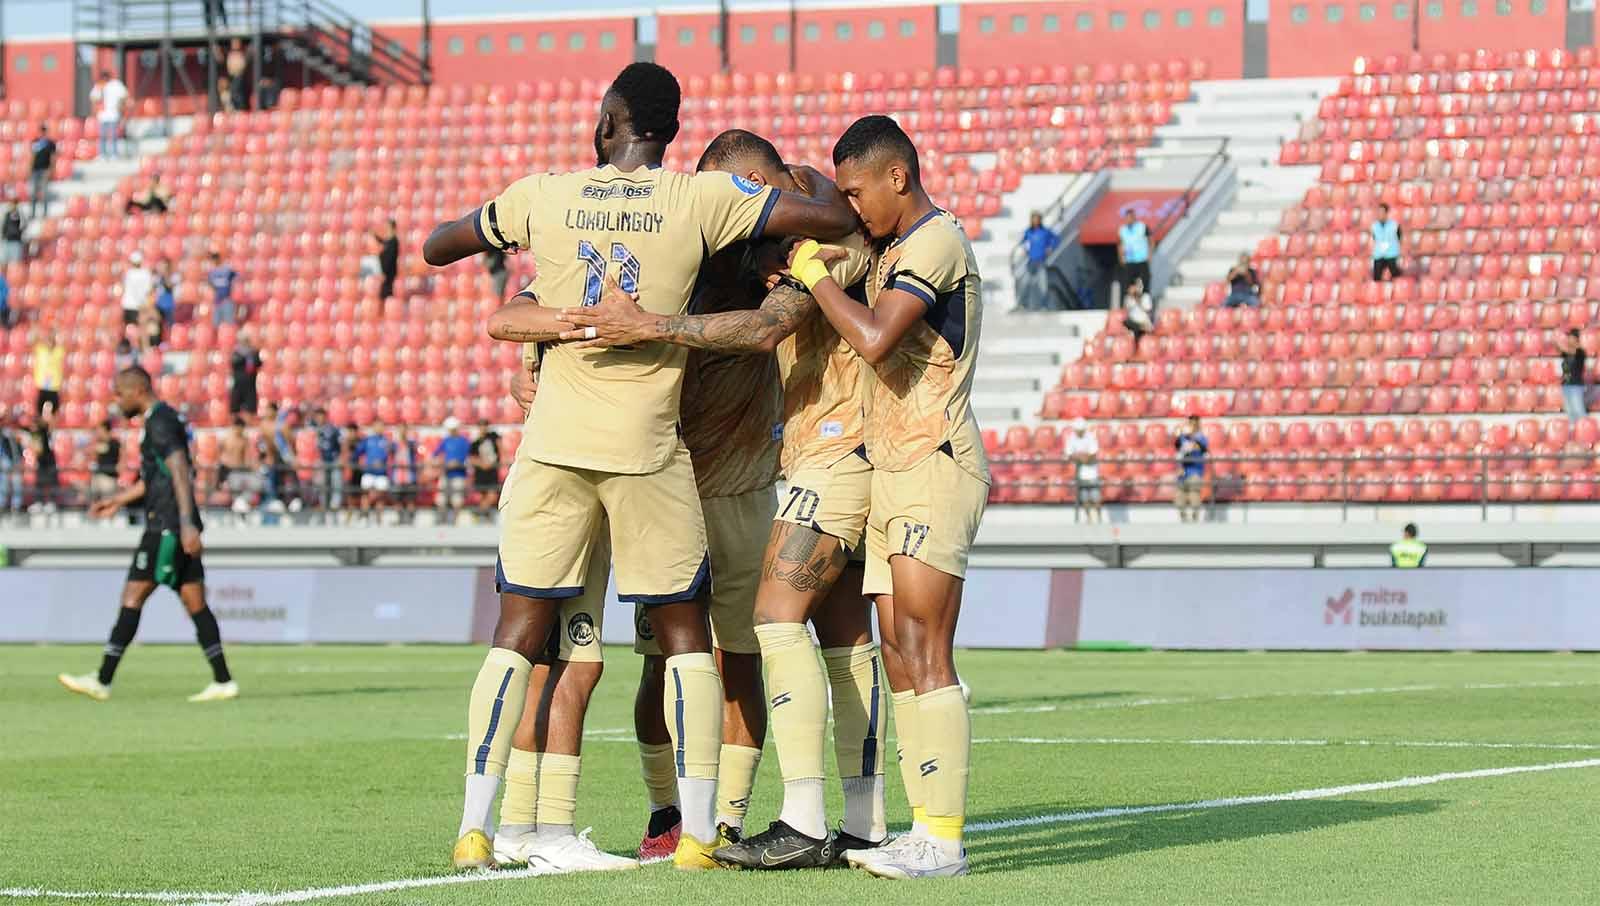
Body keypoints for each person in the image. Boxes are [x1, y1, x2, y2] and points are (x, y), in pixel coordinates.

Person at [425, 60, 858, 872]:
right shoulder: (698, 199)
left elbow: (437, 246)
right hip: (647, 455)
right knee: (689, 639)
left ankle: (477, 826)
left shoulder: (542, 194)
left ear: (601, 126)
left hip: (551, 446)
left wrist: (538, 313)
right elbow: (834, 213)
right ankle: (697, 833)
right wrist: (769, 205)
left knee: (519, 634)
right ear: (673, 135)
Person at [558, 128, 888, 871]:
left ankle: (739, 818)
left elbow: (768, 328)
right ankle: (672, 813)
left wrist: (657, 325)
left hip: (764, 480)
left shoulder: (819, 228)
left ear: (765, 188)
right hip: (668, 481)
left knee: (752, 650)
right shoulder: (693, 238)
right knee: (667, 664)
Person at [770, 115, 990, 879]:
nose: (854, 206)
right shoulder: (893, 248)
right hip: (893, 471)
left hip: (935, 461)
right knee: (897, 650)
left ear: (898, 176)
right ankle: (922, 827)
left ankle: (945, 838)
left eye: (859, 190)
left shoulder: (935, 242)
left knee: (927, 649)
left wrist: (816, 274)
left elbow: (871, 338)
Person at [58, 366, 237, 703]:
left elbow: (180, 468)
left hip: (166, 524)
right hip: (171, 520)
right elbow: (154, 479)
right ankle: (223, 680)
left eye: (120, 394)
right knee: (194, 600)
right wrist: (116, 500)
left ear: (138, 390)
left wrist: (185, 522)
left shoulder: (159, 422)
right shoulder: (158, 421)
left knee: (134, 593)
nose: (116, 401)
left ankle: (103, 678)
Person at [1017, 212, 1059, 311]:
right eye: (1033, 219)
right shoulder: (1029, 232)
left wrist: (1051, 248)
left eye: (1037, 219)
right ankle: (1022, 305)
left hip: (1041, 262)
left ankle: (1044, 306)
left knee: (1043, 285)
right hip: (1031, 262)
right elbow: (1023, 242)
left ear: (1040, 220)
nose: (1035, 221)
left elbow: (1056, 239)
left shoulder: (1045, 231)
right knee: (1024, 284)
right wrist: (1025, 248)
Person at [1064, 418, 1103, 523]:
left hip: (1092, 473)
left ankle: (1099, 518)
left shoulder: (1091, 437)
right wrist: (1081, 457)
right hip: (1080, 473)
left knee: (1096, 498)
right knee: (1084, 498)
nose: (1078, 432)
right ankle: (1089, 518)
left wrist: (1080, 457)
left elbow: (1092, 455)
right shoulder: (1071, 438)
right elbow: (1069, 454)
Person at [433, 417, 471, 522]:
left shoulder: (464, 442)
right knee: (441, 498)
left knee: (457, 499)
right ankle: (442, 520)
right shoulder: (445, 441)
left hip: (459, 474)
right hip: (446, 474)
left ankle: (455, 520)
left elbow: (468, 458)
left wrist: (457, 463)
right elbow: (435, 455)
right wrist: (441, 463)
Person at [1174, 415, 1208, 523]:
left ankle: (1195, 519)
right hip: (1182, 472)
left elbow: (1203, 448)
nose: (1192, 425)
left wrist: (1192, 438)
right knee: (1179, 496)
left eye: (1195, 423)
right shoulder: (1183, 437)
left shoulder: (1201, 437)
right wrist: (1181, 435)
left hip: (1195, 471)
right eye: (1191, 423)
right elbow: (1177, 447)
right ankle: (1184, 519)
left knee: (1194, 494)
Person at [357, 421, 395, 518]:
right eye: (377, 426)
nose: (379, 428)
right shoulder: (368, 440)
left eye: (381, 426)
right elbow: (357, 452)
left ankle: (379, 519)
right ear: (373, 427)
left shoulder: (387, 441)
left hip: (381, 473)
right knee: (365, 495)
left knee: (380, 496)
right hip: (369, 472)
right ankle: (364, 516)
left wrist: (383, 461)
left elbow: (392, 454)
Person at [310, 407, 345, 512]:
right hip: (321, 460)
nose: (319, 418)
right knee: (322, 484)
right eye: (317, 416)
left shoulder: (332, 429)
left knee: (336, 482)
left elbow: (342, 443)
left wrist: (341, 457)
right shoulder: (312, 429)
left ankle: (335, 504)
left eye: (321, 416)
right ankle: (323, 504)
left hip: (333, 459)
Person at [90, 71, 129, 160]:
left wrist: (120, 106)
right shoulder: (99, 85)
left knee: (114, 135)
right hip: (102, 115)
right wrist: (100, 93)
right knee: (102, 135)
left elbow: (124, 95)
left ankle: (114, 154)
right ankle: (102, 154)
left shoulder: (116, 85)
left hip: (114, 113)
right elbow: (93, 98)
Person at [470, 419, 502, 513]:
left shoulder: (493, 436)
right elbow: (472, 458)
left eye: (484, 426)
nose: (483, 428)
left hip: (492, 472)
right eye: (481, 426)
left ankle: (479, 512)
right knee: (482, 496)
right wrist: (482, 464)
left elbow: (500, 447)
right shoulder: (475, 443)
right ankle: (482, 514)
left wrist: (497, 460)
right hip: (481, 473)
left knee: (492, 495)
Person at [1117, 208, 1152, 294]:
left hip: (1142, 259)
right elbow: (1120, 244)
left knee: (1144, 282)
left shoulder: (1142, 227)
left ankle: (1145, 299)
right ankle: (1131, 300)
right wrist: (1121, 257)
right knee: (1128, 283)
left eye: (1129, 218)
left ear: (1133, 218)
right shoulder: (1122, 230)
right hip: (1129, 260)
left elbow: (1151, 241)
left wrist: (1150, 254)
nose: (1127, 220)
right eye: (1126, 218)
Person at [90, 419, 123, 507]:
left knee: (108, 503)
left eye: (99, 429)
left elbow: (122, 454)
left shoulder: (114, 443)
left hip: (109, 477)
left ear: (105, 429)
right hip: (98, 476)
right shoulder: (100, 443)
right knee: (95, 502)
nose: (97, 432)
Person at [32, 330, 64, 417]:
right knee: (39, 406)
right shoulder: (41, 350)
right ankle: (40, 422)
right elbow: (34, 340)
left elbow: (63, 343)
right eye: (48, 340)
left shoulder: (59, 351)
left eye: (51, 340)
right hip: (42, 383)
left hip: (54, 384)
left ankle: (51, 422)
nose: (49, 342)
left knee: (55, 407)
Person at [228, 331, 261, 417]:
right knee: (235, 407)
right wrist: (245, 356)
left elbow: (258, 363)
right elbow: (234, 362)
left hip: (250, 384)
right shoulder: (236, 353)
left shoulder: (254, 353)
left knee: (251, 408)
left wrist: (251, 356)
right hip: (238, 384)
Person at [392, 425, 421, 519]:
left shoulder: (411, 443)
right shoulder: (394, 444)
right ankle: (400, 517)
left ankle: (410, 518)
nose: (402, 433)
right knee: (397, 499)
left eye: (404, 431)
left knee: (410, 499)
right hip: (397, 477)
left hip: (409, 476)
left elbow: (415, 449)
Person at [1559, 327, 1587, 423]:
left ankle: (1584, 432)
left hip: (1575, 386)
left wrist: (1559, 343)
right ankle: (1576, 434)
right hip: (1566, 386)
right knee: (1570, 413)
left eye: (1570, 337)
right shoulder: (1567, 353)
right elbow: (1562, 351)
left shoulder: (1580, 352)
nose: (1568, 339)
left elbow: (1570, 351)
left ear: (1575, 338)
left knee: (1579, 412)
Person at [29, 124, 56, 217]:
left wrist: (50, 170)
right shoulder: (35, 142)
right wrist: (30, 169)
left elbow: (53, 157)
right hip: (35, 170)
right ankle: (32, 213)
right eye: (41, 130)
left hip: (44, 170)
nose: (42, 132)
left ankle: (44, 213)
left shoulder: (50, 143)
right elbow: (32, 156)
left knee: (44, 193)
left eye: (44, 130)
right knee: (33, 193)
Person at [1371, 203, 1403, 281]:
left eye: (1382, 212)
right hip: (1379, 254)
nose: (1380, 215)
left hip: (1391, 254)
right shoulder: (1374, 226)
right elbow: (1374, 238)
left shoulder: (1395, 225)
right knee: (1376, 277)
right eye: (1379, 213)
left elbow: (1399, 237)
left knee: (1395, 275)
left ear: (1386, 213)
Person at [122, 251, 155, 327]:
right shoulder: (146, 273)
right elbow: (149, 291)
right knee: (140, 329)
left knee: (130, 329)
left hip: (129, 305)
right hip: (141, 306)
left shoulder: (128, 273)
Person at [207, 250, 239, 325]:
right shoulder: (212, 273)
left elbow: (236, 278)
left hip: (227, 301)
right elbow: (211, 286)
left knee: (229, 324)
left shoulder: (227, 270)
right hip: (217, 302)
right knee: (216, 325)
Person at [0, 411, 24, 515]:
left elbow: (19, 447)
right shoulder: (3, 432)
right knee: (4, 483)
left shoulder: (17, 433)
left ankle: (16, 506)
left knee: (17, 483)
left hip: (16, 459)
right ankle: (2, 505)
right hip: (6, 459)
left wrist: (19, 459)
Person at [1122, 278, 1154, 350]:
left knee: (1139, 330)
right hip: (1132, 323)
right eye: (1136, 286)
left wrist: (1138, 300)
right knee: (1127, 324)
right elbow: (1125, 311)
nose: (1138, 288)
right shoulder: (1128, 298)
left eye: (1140, 286)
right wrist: (1132, 296)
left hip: (1144, 322)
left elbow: (1148, 311)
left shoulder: (1146, 297)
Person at [373, 219, 400, 301]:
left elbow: (390, 257)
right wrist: (375, 236)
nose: (386, 229)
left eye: (388, 227)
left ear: (392, 228)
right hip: (387, 270)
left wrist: (384, 270)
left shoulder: (394, 241)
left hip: (389, 271)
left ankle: (387, 306)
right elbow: (384, 242)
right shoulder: (391, 240)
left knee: (386, 290)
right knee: (386, 289)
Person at [3, 200, 25, 264]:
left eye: (14, 204)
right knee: (5, 262)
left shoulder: (19, 214)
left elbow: (23, 225)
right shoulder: (7, 214)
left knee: (15, 262)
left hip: (16, 241)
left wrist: (19, 232)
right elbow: (5, 226)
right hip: (7, 241)